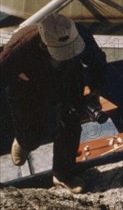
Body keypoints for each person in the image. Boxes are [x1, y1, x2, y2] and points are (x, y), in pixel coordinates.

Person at [0, 13, 106, 194]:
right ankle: (25, 142)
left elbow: (97, 61)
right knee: (32, 132)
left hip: (68, 79)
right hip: (28, 86)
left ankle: (63, 175)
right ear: (43, 45)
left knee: (70, 125)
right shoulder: (20, 47)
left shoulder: (80, 34)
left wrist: (95, 91)